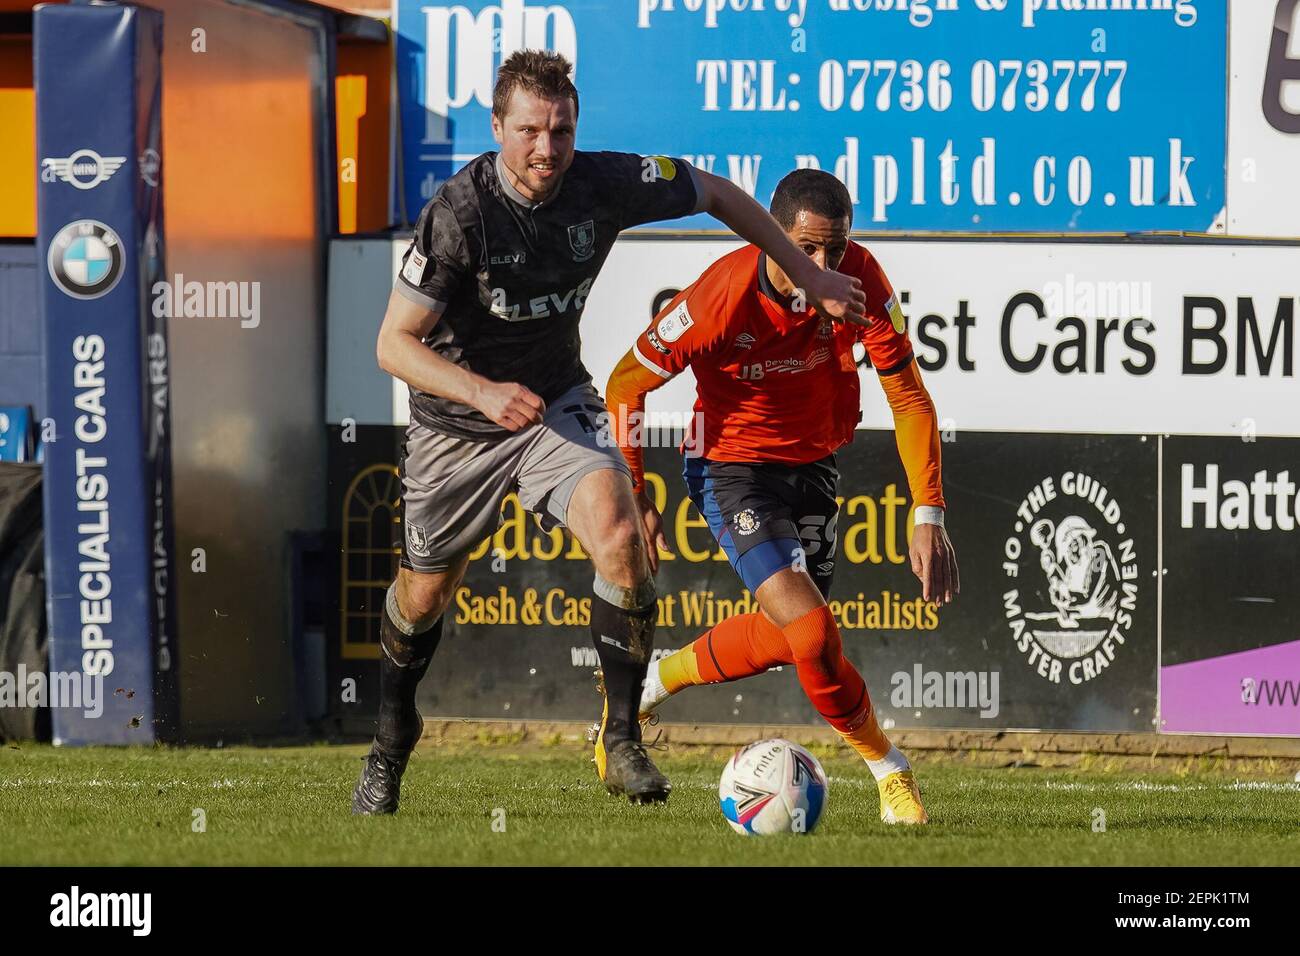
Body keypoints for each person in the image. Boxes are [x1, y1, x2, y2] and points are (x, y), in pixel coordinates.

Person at [355, 52, 868, 813]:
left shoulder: (603, 182)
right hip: (457, 422)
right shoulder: (459, 214)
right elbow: (393, 344)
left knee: (622, 537)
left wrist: (808, 271)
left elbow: (718, 193)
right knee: (424, 596)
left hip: (557, 400)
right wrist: (481, 391)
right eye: (528, 130)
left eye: (560, 130)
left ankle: (622, 736)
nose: (546, 149)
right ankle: (392, 735)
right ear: (498, 129)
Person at [604, 168, 959, 824]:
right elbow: (625, 384)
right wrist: (635, 491)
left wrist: (927, 511)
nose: (823, 263)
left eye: (837, 247)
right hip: (729, 467)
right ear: (771, 238)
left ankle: (655, 678)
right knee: (813, 630)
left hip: (814, 463)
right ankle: (890, 768)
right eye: (807, 248)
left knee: (791, 639)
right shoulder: (719, 299)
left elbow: (908, 396)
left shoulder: (863, 282)